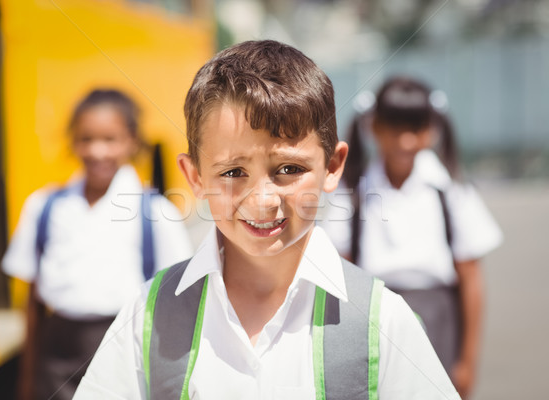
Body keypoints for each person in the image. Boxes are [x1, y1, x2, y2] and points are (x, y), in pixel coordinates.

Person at [74, 41, 460, 400]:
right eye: (232, 172)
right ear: (194, 177)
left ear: (332, 166)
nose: (261, 201)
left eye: (289, 168)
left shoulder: (384, 321)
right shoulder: (147, 315)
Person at [2, 89, 194, 400]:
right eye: (86, 139)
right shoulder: (45, 206)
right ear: (73, 141)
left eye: (110, 139)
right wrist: (26, 380)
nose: (97, 151)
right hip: (56, 358)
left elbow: (178, 304)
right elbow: (34, 300)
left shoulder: (156, 213)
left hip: (123, 352)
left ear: (132, 141)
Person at [321, 77, 502, 399]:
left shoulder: (451, 191)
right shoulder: (353, 193)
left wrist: (467, 361)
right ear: (373, 127)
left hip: (439, 323)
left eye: (416, 128)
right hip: (371, 319)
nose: (405, 141)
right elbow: (340, 275)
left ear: (433, 129)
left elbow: (472, 279)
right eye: (394, 128)